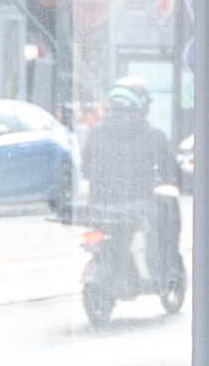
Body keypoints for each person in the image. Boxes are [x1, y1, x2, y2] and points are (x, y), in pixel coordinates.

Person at [79, 82, 184, 292]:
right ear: (141, 104)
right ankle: (159, 274)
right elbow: (171, 172)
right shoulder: (154, 136)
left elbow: (85, 169)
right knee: (164, 225)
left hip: (100, 206)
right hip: (139, 205)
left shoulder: (95, 134)